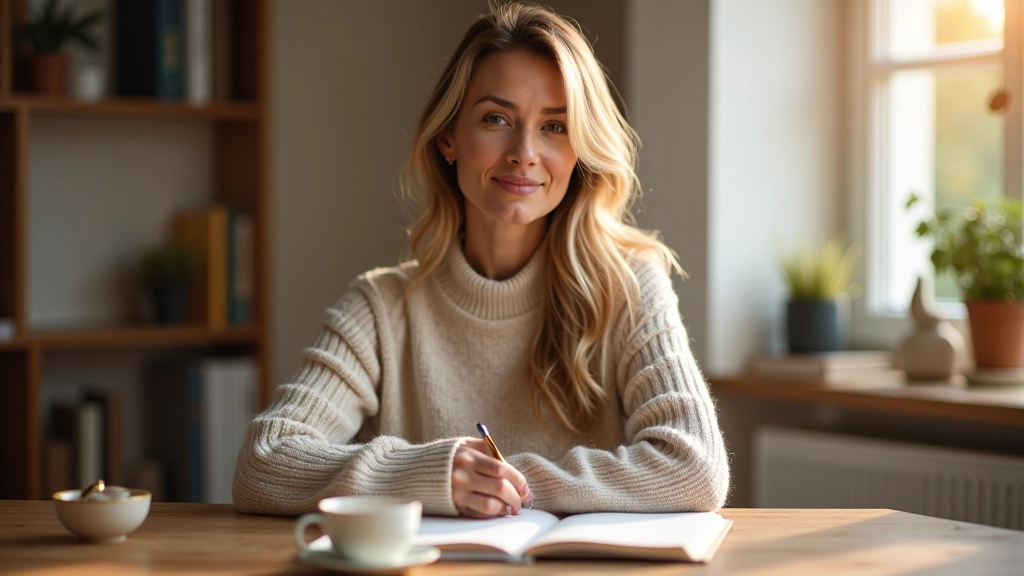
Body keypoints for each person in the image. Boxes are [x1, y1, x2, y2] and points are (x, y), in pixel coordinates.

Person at [233, 1, 729, 518]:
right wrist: (431, 474)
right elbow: (264, 463)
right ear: (449, 137)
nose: (524, 152)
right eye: (497, 119)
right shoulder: (380, 309)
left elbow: (695, 467)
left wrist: (503, 482)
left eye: (555, 127)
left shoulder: (630, 287)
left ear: (581, 149)